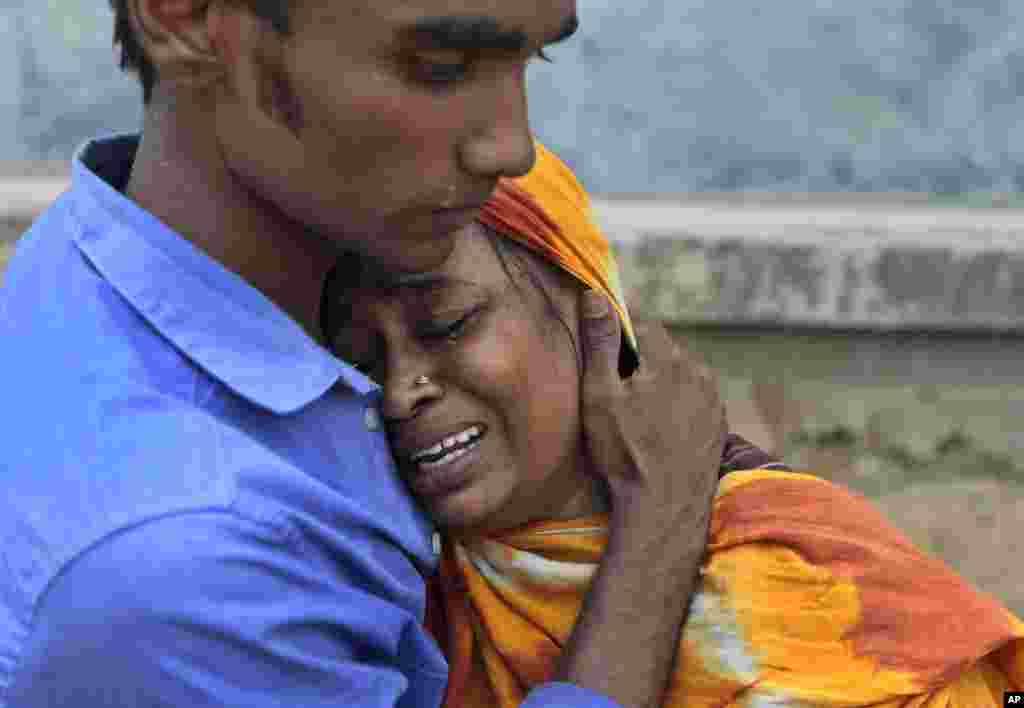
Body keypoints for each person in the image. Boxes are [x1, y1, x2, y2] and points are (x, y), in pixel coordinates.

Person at [0, 2, 730, 707]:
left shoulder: (106, 246)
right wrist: (655, 534)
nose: (514, 147)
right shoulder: (180, 572)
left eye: (532, 55)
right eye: (441, 65)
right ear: (185, 15)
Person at [323, 141, 1024, 707]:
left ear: (589, 312)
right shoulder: (382, 601)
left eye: (447, 323)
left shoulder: (802, 584)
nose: (397, 392)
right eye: (358, 359)